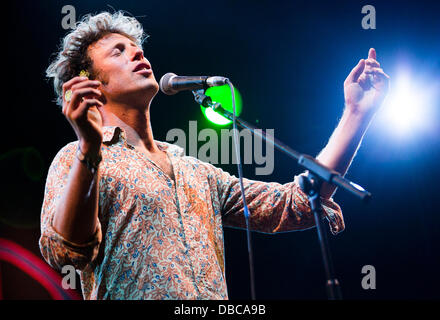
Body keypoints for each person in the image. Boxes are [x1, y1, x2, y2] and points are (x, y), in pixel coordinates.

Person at [40, 11, 389, 300]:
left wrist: (356, 114)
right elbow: (67, 251)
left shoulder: (194, 169)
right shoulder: (75, 157)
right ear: (90, 85)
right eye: (118, 51)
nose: (138, 54)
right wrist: (89, 148)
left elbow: (294, 203)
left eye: (137, 48)